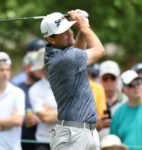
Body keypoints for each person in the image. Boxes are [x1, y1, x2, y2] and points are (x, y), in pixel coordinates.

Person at [41, 10, 105, 150]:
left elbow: (78, 51)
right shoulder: (64, 59)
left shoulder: (61, 55)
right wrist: (83, 25)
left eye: (69, 28)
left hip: (83, 133)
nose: (69, 33)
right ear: (51, 39)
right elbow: (100, 51)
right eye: (63, 32)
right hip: (73, 135)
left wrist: (82, 27)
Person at [0, 52, 25, 150]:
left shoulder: (18, 93)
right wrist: (7, 124)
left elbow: (18, 120)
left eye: (8, 69)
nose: (5, 73)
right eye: (1, 70)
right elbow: (13, 120)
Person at [29, 48, 58, 150]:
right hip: (44, 141)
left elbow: (75, 113)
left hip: (67, 140)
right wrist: (66, 111)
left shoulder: (68, 84)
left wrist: (50, 111)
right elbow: (45, 117)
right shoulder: (35, 89)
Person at [110, 70, 142, 150]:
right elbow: (113, 142)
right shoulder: (118, 113)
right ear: (123, 91)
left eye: (138, 82)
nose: (136, 86)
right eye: (131, 85)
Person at [17, 51, 42, 150]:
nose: (41, 68)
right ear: (27, 68)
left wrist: (41, 119)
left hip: (45, 143)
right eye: (37, 65)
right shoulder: (17, 90)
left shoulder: (49, 89)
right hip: (22, 144)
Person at [98, 60, 127, 138]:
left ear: (118, 79)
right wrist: (95, 126)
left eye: (112, 78)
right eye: (105, 78)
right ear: (100, 79)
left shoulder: (127, 101)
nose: (109, 81)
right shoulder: (92, 101)